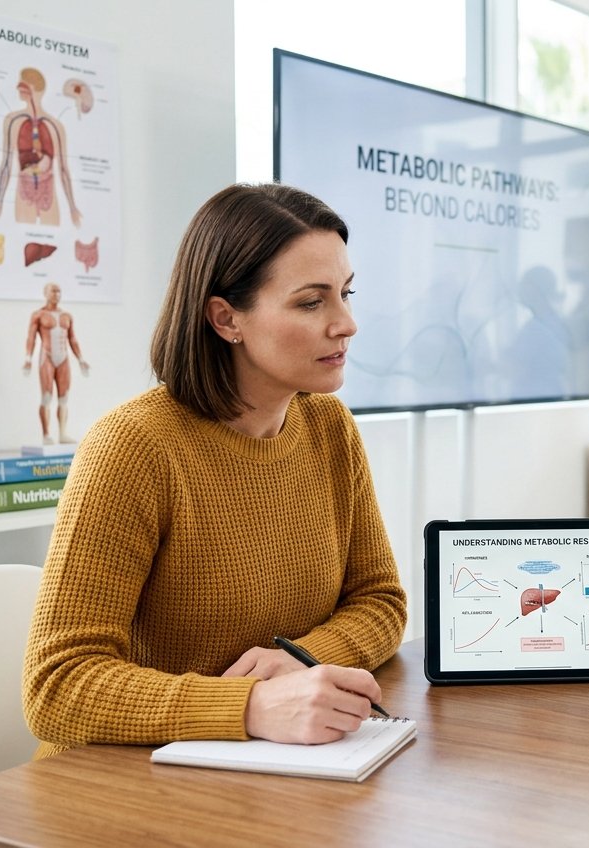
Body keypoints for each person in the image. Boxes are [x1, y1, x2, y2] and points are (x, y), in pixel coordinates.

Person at [22, 184, 408, 756]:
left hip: (272, 771)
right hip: (128, 786)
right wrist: (249, 706)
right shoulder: (134, 447)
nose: (346, 323)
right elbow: (57, 686)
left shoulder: (329, 428)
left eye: (346, 294)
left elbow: (380, 601)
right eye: (311, 302)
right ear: (226, 318)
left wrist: (301, 659)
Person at [0, 68, 82, 227]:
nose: (17, 89)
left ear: (32, 88)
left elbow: (63, 170)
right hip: (24, 191)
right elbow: (6, 164)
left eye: (21, 84)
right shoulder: (13, 120)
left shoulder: (55, 125)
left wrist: (73, 207)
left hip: (48, 191)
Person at [24, 282, 89, 444]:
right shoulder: (38, 315)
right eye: (53, 291)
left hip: (64, 358)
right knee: (46, 396)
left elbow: (72, 338)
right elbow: (31, 337)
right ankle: (46, 434)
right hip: (47, 357)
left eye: (59, 291)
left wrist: (81, 359)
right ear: (45, 293)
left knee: (64, 397)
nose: (57, 295)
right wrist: (28, 359)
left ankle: (62, 433)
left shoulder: (67, 316)